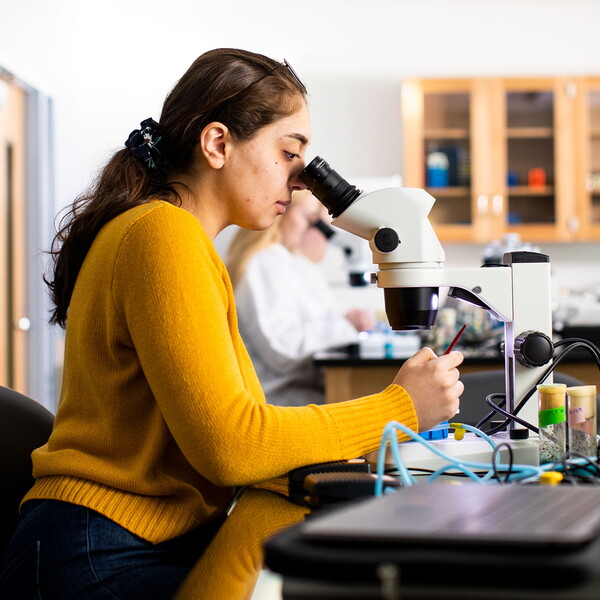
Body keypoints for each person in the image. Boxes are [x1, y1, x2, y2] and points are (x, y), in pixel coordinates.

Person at [0, 48, 464, 600]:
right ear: (218, 144)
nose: (299, 181)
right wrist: (399, 409)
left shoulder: (173, 237)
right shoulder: (162, 235)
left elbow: (236, 435)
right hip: (98, 555)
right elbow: (232, 446)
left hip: (133, 538)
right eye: (289, 153)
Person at [227, 189, 374, 406]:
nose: (310, 227)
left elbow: (319, 313)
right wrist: (345, 326)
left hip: (301, 391)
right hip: (282, 400)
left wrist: (347, 319)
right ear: (282, 211)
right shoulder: (263, 264)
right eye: (308, 218)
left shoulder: (286, 262)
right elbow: (283, 349)